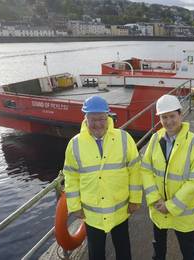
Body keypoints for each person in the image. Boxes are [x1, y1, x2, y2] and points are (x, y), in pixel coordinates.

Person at [63, 96, 142, 260]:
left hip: (119, 210)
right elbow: (71, 177)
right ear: (85, 118)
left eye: (101, 119)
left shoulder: (124, 138)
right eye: (93, 119)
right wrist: (74, 206)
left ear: (108, 117)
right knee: (96, 254)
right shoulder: (75, 144)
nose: (98, 124)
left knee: (123, 251)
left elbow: (135, 171)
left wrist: (135, 199)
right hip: (93, 215)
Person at [141, 94, 194, 260]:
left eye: (172, 116)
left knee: (188, 248)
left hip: (182, 210)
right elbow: (146, 169)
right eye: (164, 117)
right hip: (158, 206)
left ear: (180, 114)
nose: (168, 121)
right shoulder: (156, 138)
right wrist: (154, 199)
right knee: (158, 246)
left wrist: (170, 206)